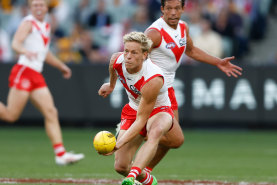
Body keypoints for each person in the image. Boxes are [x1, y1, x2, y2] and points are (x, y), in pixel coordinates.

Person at [143, 0, 243, 173]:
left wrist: (218, 62)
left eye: (177, 8)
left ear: (183, 9)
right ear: (162, 9)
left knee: (171, 140)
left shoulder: (183, 27)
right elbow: (135, 57)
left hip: (168, 89)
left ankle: (143, 171)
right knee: (175, 139)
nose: (173, 12)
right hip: (153, 90)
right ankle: (133, 133)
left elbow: (191, 51)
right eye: (169, 8)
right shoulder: (154, 33)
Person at [0, 0, 84, 165]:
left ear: (47, 7)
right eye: (35, 5)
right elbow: (15, 43)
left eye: (41, 5)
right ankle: (60, 154)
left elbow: (44, 53)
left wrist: (61, 66)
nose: (38, 8)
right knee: (11, 115)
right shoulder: (28, 23)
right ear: (31, 8)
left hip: (35, 74)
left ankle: (60, 154)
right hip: (24, 71)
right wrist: (25, 51)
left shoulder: (45, 25)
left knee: (51, 111)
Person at [98, 32, 174, 185]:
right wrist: (111, 85)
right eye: (126, 51)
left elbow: (141, 121)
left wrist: (118, 144)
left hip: (159, 110)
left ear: (145, 55)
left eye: (134, 52)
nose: (128, 56)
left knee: (155, 132)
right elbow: (113, 68)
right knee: (120, 166)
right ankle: (147, 180)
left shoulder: (153, 78)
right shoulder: (116, 60)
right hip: (133, 109)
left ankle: (132, 177)